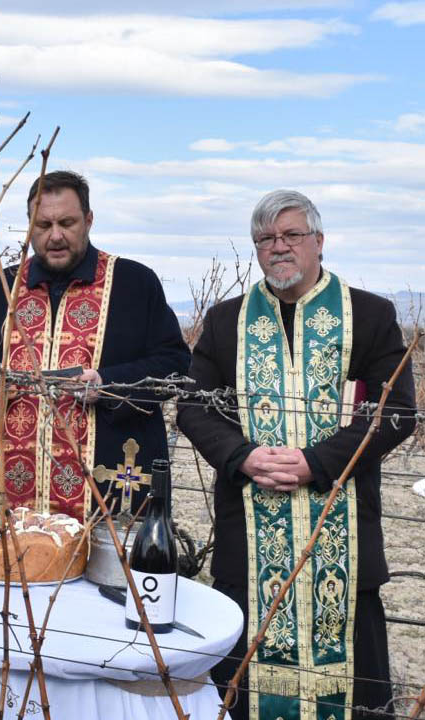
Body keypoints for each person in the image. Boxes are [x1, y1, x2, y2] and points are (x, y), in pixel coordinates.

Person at [177, 190, 416, 720]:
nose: (278, 247)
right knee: (240, 690)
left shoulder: (371, 315)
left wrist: (317, 462)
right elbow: (193, 409)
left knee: (358, 692)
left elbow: (395, 411)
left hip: (344, 537)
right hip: (248, 538)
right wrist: (243, 455)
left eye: (291, 235)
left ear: (319, 242)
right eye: (265, 238)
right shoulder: (225, 321)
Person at [0, 170, 190, 520]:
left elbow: (175, 366)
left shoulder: (135, 284)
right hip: (3, 498)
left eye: (67, 222)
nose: (55, 236)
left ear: (88, 221)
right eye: (43, 225)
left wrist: (107, 385)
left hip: (108, 497)